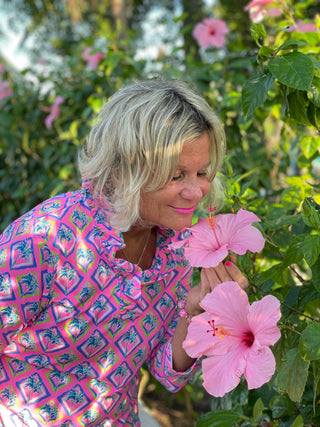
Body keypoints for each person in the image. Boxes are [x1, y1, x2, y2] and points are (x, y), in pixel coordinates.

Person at [0, 79, 248, 426]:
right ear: (124, 169)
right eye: (177, 175)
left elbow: (166, 371)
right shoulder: (45, 241)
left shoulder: (174, 250)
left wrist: (197, 313)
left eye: (202, 172)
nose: (196, 191)